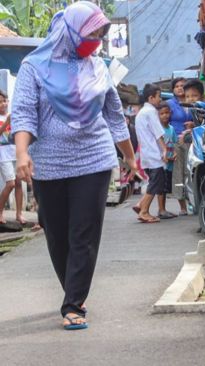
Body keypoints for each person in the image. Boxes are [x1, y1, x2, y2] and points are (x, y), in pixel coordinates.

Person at [11, 1, 137, 330]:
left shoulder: (97, 67)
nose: (95, 40)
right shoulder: (33, 67)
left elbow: (114, 115)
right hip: (48, 163)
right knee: (56, 234)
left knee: (84, 233)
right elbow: (23, 112)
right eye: (91, 33)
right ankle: (73, 289)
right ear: (70, 31)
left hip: (94, 159)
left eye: (99, 34)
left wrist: (130, 156)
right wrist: (22, 153)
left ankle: (74, 302)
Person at [134, 84, 167, 223]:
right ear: (151, 97)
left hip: (146, 153)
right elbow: (158, 132)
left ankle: (140, 204)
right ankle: (144, 211)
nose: (160, 99)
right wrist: (165, 149)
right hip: (153, 153)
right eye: (159, 96)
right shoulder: (151, 111)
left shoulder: (141, 112)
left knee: (154, 182)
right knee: (155, 183)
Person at [167, 77, 193, 215]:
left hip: (193, 141)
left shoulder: (192, 101)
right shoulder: (170, 104)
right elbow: (164, 122)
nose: (179, 88)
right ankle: (182, 206)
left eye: (182, 85)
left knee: (191, 172)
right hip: (177, 141)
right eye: (176, 86)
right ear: (173, 89)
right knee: (178, 173)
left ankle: (193, 202)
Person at [0, 91, 25, 225]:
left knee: (19, 184)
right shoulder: (6, 118)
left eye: (5, 101)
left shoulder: (14, 116)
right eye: (0, 102)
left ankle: (19, 214)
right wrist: (6, 123)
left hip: (15, 152)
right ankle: (0, 212)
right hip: (3, 155)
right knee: (10, 184)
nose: (3, 104)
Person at [157, 101, 177, 219]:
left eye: (167, 113)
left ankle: (163, 209)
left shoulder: (171, 129)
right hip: (161, 162)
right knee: (161, 187)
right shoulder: (158, 129)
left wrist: (174, 154)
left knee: (166, 188)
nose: (165, 115)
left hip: (170, 162)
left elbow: (173, 144)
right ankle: (161, 209)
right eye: (162, 113)